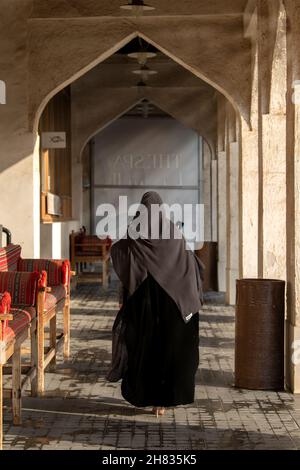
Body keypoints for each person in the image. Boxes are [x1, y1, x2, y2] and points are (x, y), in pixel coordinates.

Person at [106, 192, 204, 417]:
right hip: (174, 303)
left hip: (145, 304)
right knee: (171, 350)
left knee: (147, 350)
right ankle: (165, 399)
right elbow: (189, 265)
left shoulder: (135, 232)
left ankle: (152, 398)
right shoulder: (173, 233)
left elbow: (119, 251)